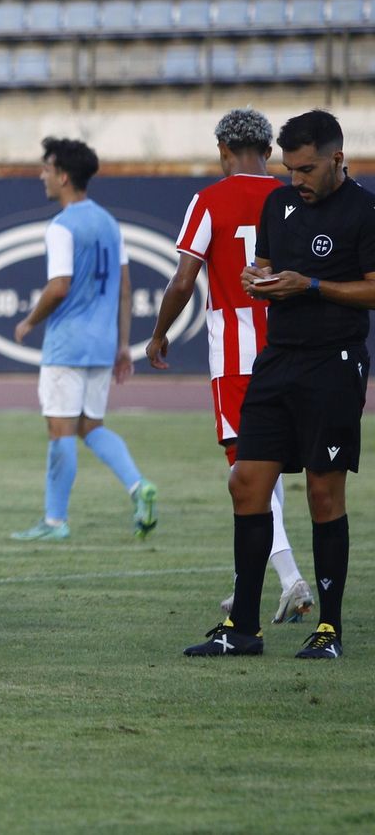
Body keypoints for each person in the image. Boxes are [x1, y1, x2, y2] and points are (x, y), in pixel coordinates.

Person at [185, 110, 375, 661]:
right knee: (245, 481)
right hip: (277, 360)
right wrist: (256, 281)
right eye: (290, 168)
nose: (298, 180)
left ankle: (330, 630)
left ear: (337, 159)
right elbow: (262, 269)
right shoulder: (277, 203)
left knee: (322, 491)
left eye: (308, 168)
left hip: (334, 363)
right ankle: (243, 627)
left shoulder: (364, 210)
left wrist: (312, 285)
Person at [148, 109, 314, 625]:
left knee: (245, 468)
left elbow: (182, 281)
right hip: (298, 342)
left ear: (223, 148)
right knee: (271, 464)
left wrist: (159, 334)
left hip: (241, 355)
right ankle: (249, 582)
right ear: (268, 152)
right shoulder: (292, 198)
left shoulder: (210, 200)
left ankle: (289, 578)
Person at [11, 137, 157, 542]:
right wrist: (123, 344)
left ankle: (54, 522)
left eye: (46, 169)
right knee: (91, 426)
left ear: (62, 176)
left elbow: (59, 286)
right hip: (102, 344)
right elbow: (125, 287)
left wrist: (28, 321)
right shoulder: (109, 223)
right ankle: (137, 484)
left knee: (60, 430)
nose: (42, 176)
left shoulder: (62, 225)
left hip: (68, 343)